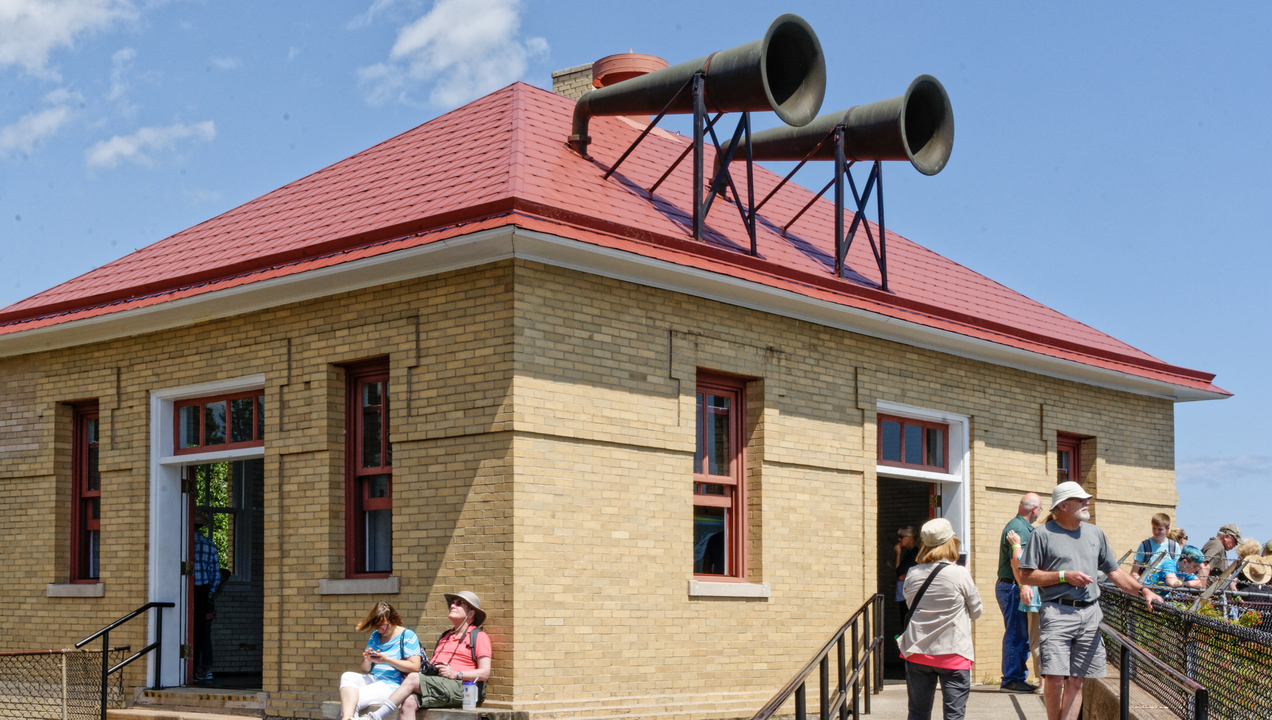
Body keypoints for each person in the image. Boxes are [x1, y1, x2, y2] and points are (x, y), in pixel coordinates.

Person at [1017, 482, 1162, 720]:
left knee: (1077, 680)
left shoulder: (1096, 533)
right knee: (1053, 678)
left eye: (1087, 498)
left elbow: (1115, 572)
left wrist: (1143, 590)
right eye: (1081, 499)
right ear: (1063, 505)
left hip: (1091, 615)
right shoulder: (1041, 535)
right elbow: (1026, 575)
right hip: (1057, 612)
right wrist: (1064, 576)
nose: (1087, 502)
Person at [899, 518, 983, 720]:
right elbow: (976, 612)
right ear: (950, 542)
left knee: (917, 713)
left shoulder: (912, 572)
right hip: (953, 652)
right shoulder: (960, 574)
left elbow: (912, 606)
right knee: (954, 715)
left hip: (917, 650)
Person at [364, 591, 493, 720]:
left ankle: (376, 716)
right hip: (439, 684)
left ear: (471, 613)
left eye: (459, 603)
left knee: (413, 677)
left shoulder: (479, 636)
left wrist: (456, 674)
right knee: (408, 702)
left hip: (463, 688)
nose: (453, 605)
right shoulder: (445, 636)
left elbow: (485, 673)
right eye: (452, 603)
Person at [338, 602, 422, 720]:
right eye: (377, 627)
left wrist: (387, 660)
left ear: (393, 619)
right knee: (347, 676)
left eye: (384, 626)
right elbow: (365, 669)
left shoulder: (407, 635)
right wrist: (367, 660)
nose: (381, 630)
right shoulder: (375, 636)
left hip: (393, 685)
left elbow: (415, 667)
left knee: (352, 701)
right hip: (375, 679)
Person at [996, 493, 1040, 694]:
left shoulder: (1019, 526)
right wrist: (1024, 585)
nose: (1040, 512)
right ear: (1034, 509)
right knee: (1017, 634)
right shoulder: (1021, 528)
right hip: (1014, 586)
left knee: (1019, 633)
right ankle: (1012, 679)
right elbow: (1017, 561)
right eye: (1040, 508)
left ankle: (1017, 677)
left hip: (1011, 585)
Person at [1005, 527, 1041, 686]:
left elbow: (1017, 562)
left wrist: (1015, 545)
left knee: (1037, 641)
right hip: (1052, 600)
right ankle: (1049, 683)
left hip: (1035, 600)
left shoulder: (1033, 550)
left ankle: (1043, 683)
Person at [192, 512, 221, 683]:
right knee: (202, 632)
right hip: (202, 591)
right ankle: (203, 669)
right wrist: (208, 595)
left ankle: (188, 669)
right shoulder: (209, 545)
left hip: (183, 591)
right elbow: (215, 575)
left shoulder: (181, 543)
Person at [1130, 513, 1181, 588]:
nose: (1156, 532)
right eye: (1154, 528)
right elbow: (1134, 573)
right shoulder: (1145, 546)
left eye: (1160, 529)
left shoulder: (1174, 546)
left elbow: (1176, 571)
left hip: (1168, 590)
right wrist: (1145, 587)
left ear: (1167, 529)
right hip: (1148, 586)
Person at [896, 526, 919, 620]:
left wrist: (909, 575)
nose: (899, 539)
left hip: (911, 593)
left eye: (902, 537)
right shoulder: (907, 553)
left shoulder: (917, 553)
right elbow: (898, 571)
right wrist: (898, 554)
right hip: (902, 594)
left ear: (911, 538)